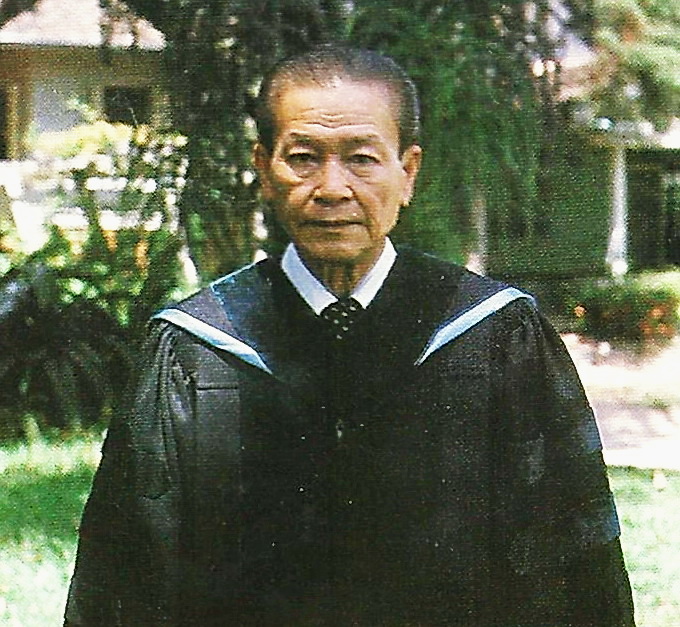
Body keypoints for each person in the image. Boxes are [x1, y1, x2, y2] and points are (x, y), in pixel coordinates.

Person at [65, 44, 635, 626]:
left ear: (407, 173)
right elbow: (129, 576)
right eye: (303, 158)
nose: (332, 188)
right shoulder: (196, 346)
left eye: (362, 158)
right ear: (264, 171)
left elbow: (570, 568)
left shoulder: (493, 334)